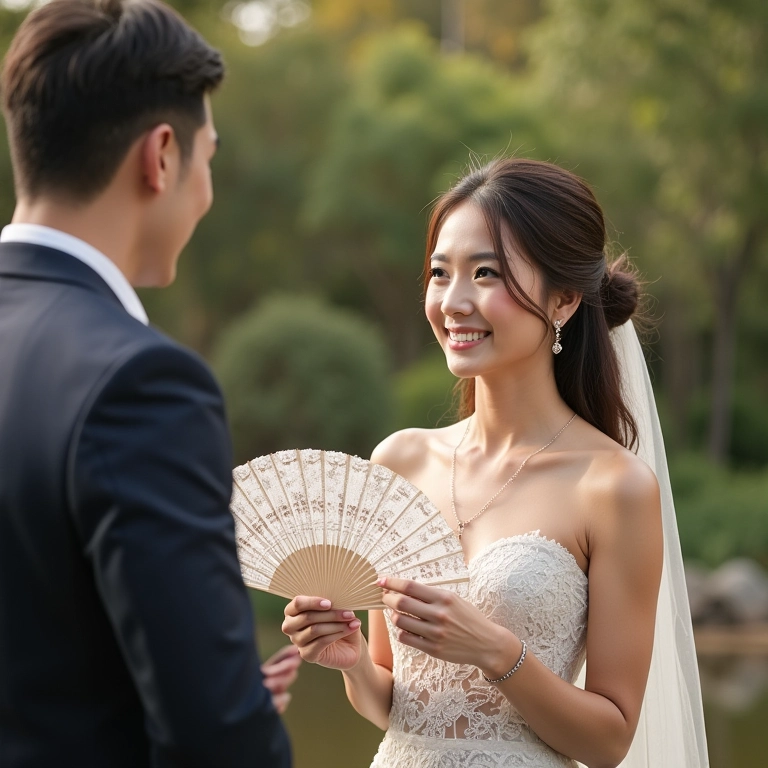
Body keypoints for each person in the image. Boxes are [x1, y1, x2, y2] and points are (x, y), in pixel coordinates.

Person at [282, 158, 709, 766]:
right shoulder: (398, 461)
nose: (453, 302)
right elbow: (395, 703)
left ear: (563, 299)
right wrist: (351, 666)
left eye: (486, 274)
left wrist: (498, 654)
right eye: (439, 273)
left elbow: (611, 739)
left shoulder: (613, 486)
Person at [0, 0, 296, 765]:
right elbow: (218, 741)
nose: (206, 189)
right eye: (210, 158)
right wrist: (226, 706)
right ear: (161, 156)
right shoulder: (141, 383)